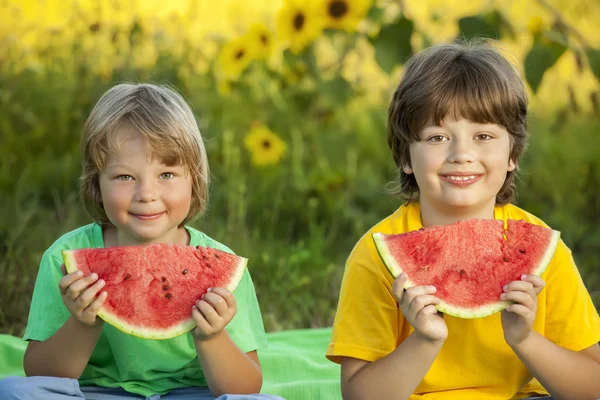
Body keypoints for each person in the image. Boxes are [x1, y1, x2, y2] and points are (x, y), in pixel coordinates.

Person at [326, 41, 600, 400]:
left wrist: (525, 339)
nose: (462, 155)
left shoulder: (543, 250)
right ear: (406, 156)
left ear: (512, 153)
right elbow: (359, 396)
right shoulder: (377, 254)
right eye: (438, 137)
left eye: (483, 136)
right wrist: (425, 340)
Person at [0, 83, 282, 400]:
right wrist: (84, 324)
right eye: (124, 177)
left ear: (195, 180)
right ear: (97, 183)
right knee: (11, 391)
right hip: (96, 393)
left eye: (166, 175)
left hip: (190, 394)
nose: (146, 194)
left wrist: (211, 337)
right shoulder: (65, 259)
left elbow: (246, 388)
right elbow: (40, 373)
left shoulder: (219, 261)